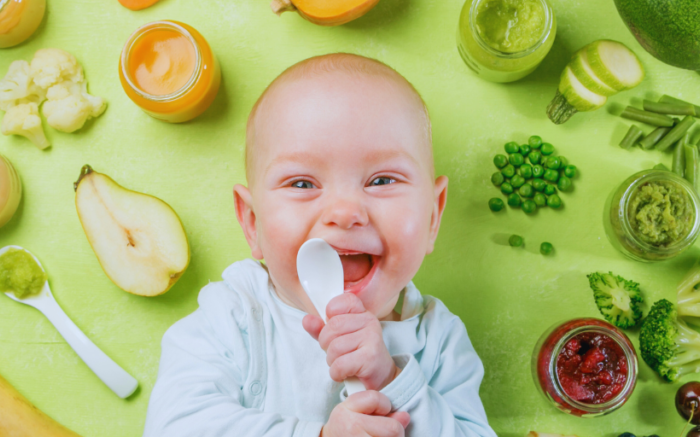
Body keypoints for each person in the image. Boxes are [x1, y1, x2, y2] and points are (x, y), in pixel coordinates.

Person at [144, 53, 495, 437]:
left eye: (381, 181)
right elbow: (171, 427)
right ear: (253, 222)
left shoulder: (439, 341)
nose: (345, 212)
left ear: (431, 216)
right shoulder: (230, 319)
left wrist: (392, 380)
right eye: (302, 184)